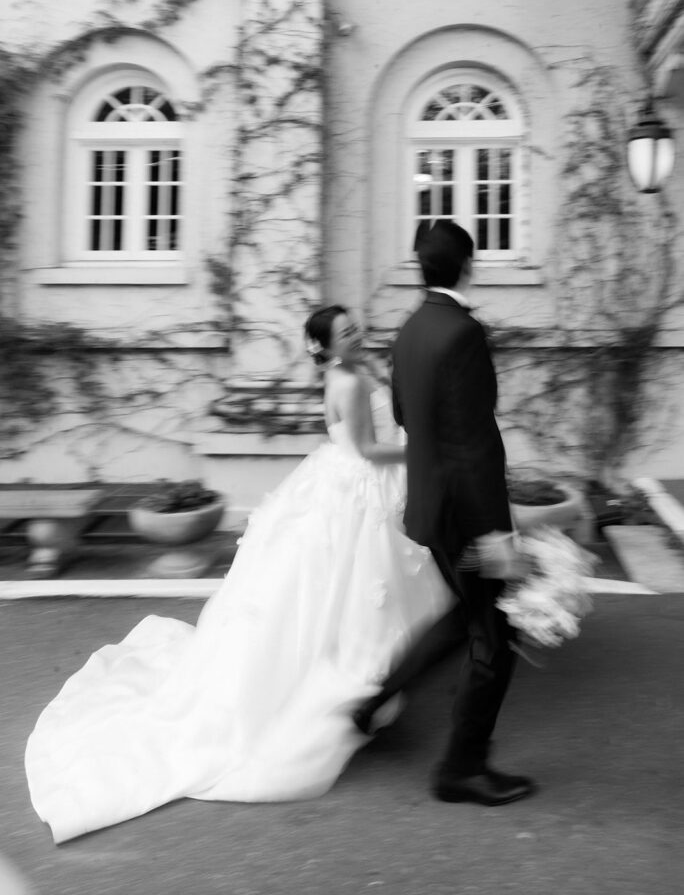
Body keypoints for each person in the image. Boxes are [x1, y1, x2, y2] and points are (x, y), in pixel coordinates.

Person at [25, 305, 453, 844]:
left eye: (355, 326)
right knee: (350, 586)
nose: (357, 333)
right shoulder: (347, 380)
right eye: (346, 332)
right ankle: (348, 689)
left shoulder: (354, 371)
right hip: (358, 486)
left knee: (353, 587)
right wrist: (422, 452)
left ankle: (372, 684)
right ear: (326, 347)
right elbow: (367, 449)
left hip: (346, 484)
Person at [353, 221, 535, 807]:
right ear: (467, 266)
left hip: (430, 504)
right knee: (496, 637)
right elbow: (476, 441)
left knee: (464, 616)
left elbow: (407, 417)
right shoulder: (465, 333)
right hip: (466, 511)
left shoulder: (406, 333)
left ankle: (377, 694)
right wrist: (496, 531)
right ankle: (462, 768)